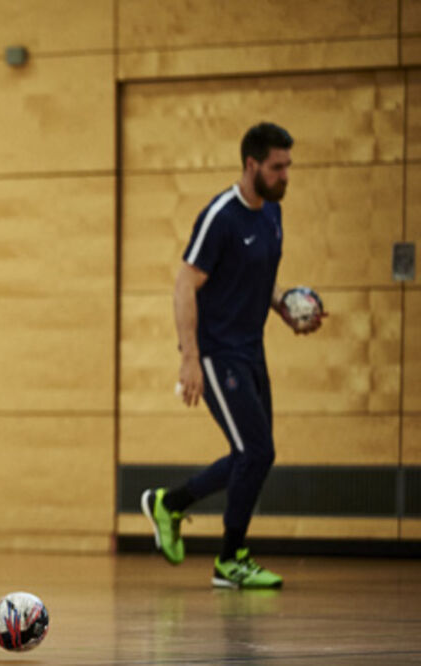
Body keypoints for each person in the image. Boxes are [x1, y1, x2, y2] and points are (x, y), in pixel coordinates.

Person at [141, 122, 324, 589]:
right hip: (219, 353)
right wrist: (189, 358)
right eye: (277, 167)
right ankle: (230, 559)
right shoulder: (221, 216)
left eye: (288, 166)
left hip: (252, 349)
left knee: (255, 455)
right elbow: (185, 283)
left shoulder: (272, 215)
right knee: (256, 451)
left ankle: (171, 504)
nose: (285, 175)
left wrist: (286, 309)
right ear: (251, 165)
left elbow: (260, 281)